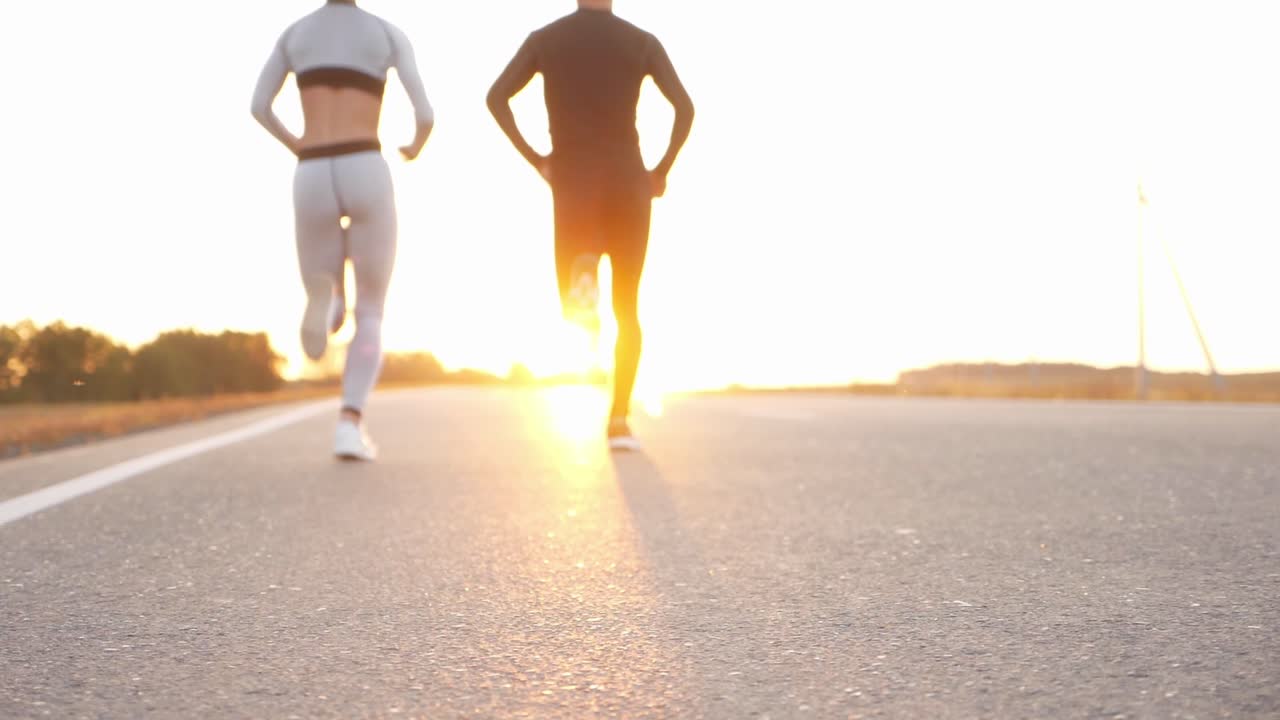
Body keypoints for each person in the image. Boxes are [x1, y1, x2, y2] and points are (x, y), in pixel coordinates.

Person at [487, 0, 695, 451]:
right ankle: (619, 420)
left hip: (574, 184)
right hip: (629, 184)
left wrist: (538, 160)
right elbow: (685, 108)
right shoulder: (641, 41)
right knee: (628, 306)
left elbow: (496, 97)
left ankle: (585, 300)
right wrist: (660, 171)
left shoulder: (546, 39)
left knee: (575, 298)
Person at [251, 0, 434, 461]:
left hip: (312, 168)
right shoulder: (386, 33)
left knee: (326, 284)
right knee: (371, 309)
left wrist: (297, 144)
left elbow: (259, 106)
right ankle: (349, 425)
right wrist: (414, 146)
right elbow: (425, 115)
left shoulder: (295, 34)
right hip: (364, 163)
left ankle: (330, 301)